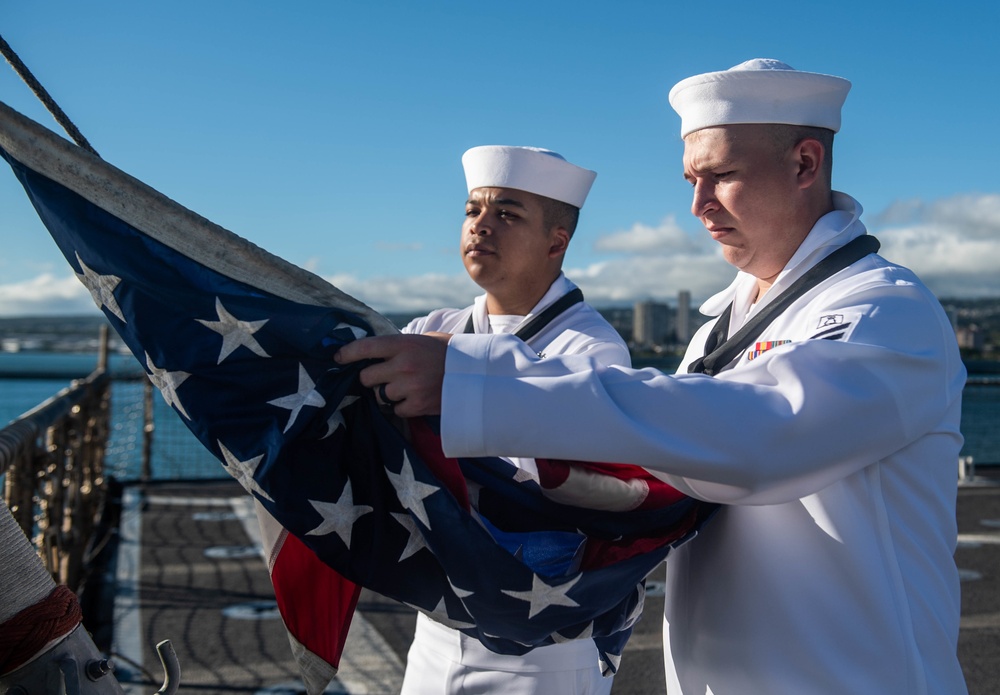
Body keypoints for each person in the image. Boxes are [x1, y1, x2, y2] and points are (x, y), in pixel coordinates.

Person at [339, 59, 968, 693]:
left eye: (721, 176)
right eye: (692, 179)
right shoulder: (715, 328)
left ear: (805, 164)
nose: (697, 205)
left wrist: (473, 380)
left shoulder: (884, 309)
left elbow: (758, 436)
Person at [391, 145, 631, 695]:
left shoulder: (591, 350)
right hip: (438, 625)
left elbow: (564, 486)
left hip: (542, 641)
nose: (481, 226)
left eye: (507, 213)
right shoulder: (435, 325)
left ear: (557, 241)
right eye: (473, 210)